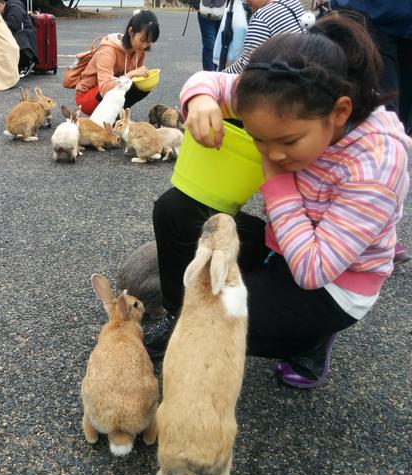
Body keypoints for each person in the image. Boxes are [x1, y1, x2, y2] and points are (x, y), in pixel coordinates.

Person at [145, 14, 410, 389]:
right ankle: (179, 312)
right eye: (259, 138)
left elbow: (313, 269)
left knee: (216, 318)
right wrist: (201, 99)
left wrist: (277, 179)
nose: (272, 152)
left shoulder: (376, 164)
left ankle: (309, 340)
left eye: (287, 141)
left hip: (330, 284)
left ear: (340, 113)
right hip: (282, 245)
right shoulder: (281, 95)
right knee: (177, 211)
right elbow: (211, 82)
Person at [331, 1, 412, 265]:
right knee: (374, 118)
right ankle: (362, 226)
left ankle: (378, 224)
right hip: (368, 14)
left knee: (401, 128)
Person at [74, 10, 160, 117]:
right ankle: (107, 118)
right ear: (131, 32)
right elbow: (104, 89)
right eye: (143, 40)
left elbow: (134, 81)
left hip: (109, 90)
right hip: (87, 97)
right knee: (126, 83)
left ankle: (117, 115)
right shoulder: (108, 50)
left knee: (142, 86)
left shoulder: (140, 50)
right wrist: (130, 74)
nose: (145, 46)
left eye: (149, 42)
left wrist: (138, 77)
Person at [222, 0, 304, 74]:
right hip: (303, 73)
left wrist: (218, 78)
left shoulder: (262, 17)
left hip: (283, 82)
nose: (244, 1)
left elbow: (246, 65)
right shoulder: (293, 2)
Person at [0, 0, 39, 77]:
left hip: (26, 37)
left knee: (11, 40)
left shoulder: (14, 7)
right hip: (24, 35)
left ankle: (28, 61)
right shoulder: (11, 6)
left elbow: (13, 25)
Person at [196, 0, 227, 71]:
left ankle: (212, 74)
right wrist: (197, 5)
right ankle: (209, 76)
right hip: (205, 10)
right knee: (210, 46)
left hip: (225, 10)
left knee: (219, 45)